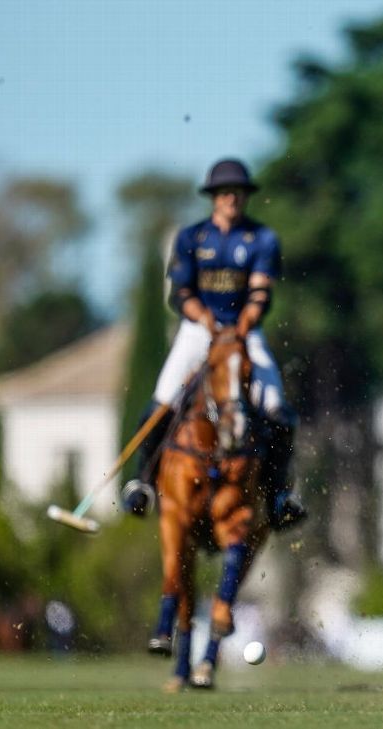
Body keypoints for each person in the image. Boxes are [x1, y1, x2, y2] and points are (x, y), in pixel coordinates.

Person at [120, 158, 306, 530]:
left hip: (242, 332)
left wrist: (239, 327)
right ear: (213, 198)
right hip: (198, 331)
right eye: (224, 193)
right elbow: (182, 293)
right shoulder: (192, 239)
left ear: (245, 197)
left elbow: (259, 293)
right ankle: (142, 481)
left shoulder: (261, 239)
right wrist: (207, 321)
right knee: (162, 400)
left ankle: (278, 494)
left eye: (237, 193)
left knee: (276, 408)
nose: (231, 199)